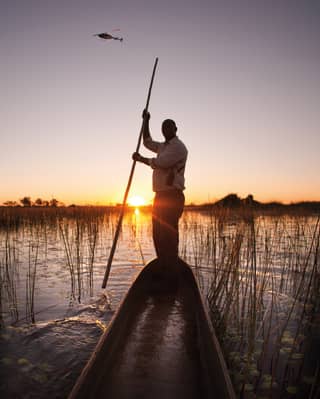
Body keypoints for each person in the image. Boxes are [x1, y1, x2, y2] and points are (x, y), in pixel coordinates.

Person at [132, 110, 188, 282]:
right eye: (163, 127)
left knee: (169, 236)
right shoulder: (163, 146)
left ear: (175, 129)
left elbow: (161, 163)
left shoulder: (179, 147)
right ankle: (164, 269)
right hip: (160, 197)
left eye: (169, 127)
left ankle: (171, 274)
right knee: (158, 234)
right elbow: (147, 142)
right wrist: (146, 121)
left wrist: (141, 159)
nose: (166, 130)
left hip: (172, 196)